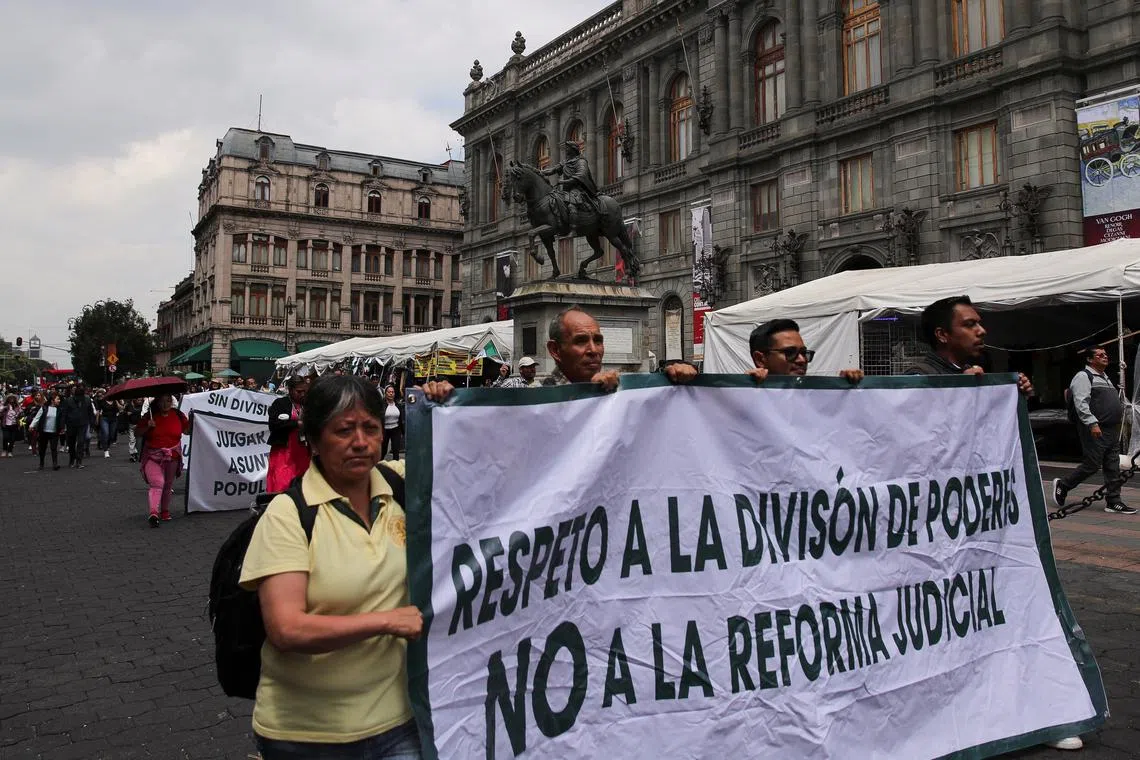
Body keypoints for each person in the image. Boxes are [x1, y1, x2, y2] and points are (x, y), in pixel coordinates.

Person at [907, 296, 1075, 751]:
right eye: (971, 324)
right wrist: (959, 394)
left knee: (1000, 608)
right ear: (943, 334)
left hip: (984, 523)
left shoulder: (986, 375)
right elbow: (904, 437)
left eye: (981, 324)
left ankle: (1029, 705)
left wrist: (1009, 396)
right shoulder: (916, 375)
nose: (982, 331)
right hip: (933, 528)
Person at [239, 376, 424, 760]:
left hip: (399, 723)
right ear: (314, 439)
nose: (360, 442)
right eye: (343, 430)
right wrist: (387, 621)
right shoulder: (287, 516)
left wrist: (448, 404)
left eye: (370, 428)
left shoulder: (399, 484)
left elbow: (479, 455)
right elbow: (287, 629)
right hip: (308, 736)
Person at [1053, 347, 1136, 515]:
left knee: (1112, 465)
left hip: (1111, 429)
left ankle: (1113, 501)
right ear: (1090, 360)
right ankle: (1064, 484)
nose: (1105, 357)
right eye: (1100, 355)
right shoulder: (1084, 376)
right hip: (1095, 428)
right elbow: (1081, 402)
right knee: (1092, 464)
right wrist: (1092, 423)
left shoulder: (1105, 378)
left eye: (1106, 354)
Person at [542, 306, 697, 389]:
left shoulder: (618, 392)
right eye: (581, 341)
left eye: (598, 341)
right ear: (555, 350)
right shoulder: (532, 404)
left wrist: (669, 379)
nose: (593, 350)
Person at [746, 319, 864, 383]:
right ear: (760, 359)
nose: (802, 360)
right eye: (790, 353)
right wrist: (743, 387)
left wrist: (848, 390)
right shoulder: (742, 400)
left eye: (803, 353)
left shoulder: (817, 396)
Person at [136, 394, 190, 527]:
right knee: (157, 483)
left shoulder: (178, 415)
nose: (166, 404)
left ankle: (165, 510)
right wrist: (148, 426)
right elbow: (137, 432)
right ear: (157, 403)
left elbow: (187, 431)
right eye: (162, 401)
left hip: (172, 455)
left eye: (168, 401)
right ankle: (154, 513)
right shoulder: (150, 416)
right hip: (152, 455)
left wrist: (193, 420)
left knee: (167, 485)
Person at [266, 376, 311, 493]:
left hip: (303, 449)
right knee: (283, 480)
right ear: (290, 390)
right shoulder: (280, 403)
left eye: (304, 391)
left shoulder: (308, 405)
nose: (302, 394)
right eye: (299, 391)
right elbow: (273, 425)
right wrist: (297, 423)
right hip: (284, 450)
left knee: (303, 479)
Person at [60, 384, 96, 468]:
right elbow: (64, 414)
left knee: (81, 442)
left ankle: (79, 461)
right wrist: (62, 425)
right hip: (71, 424)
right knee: (71, 443)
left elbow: (90, 412)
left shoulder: (87, 400)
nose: (80, 399)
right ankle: (72, 458)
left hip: (83, 424)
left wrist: (92, 424)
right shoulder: (68, 401)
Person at [31, 392, 63, 470]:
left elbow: (62, 420)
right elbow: (37, 418)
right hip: (43, 431)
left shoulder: (59, 409)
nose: (59, 401)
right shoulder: (44, 408)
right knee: (42, 448)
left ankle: (55, 464)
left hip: (54, 432)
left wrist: (63, 428)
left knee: (54, 448)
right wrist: (32, 425)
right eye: (57, 399)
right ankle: (41, 463)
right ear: (52, 400)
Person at [380, 385, 404, 461]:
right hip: (385, 430)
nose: (391, 393)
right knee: (383, 450)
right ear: (385, 393)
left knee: (396, 450)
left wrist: (403, 432)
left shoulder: (398, 405)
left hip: (396, 429)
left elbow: (401, 419)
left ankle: (396, 468)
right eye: (389, 392)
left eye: (392, 392)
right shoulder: (381, 405)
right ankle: (379, 465)